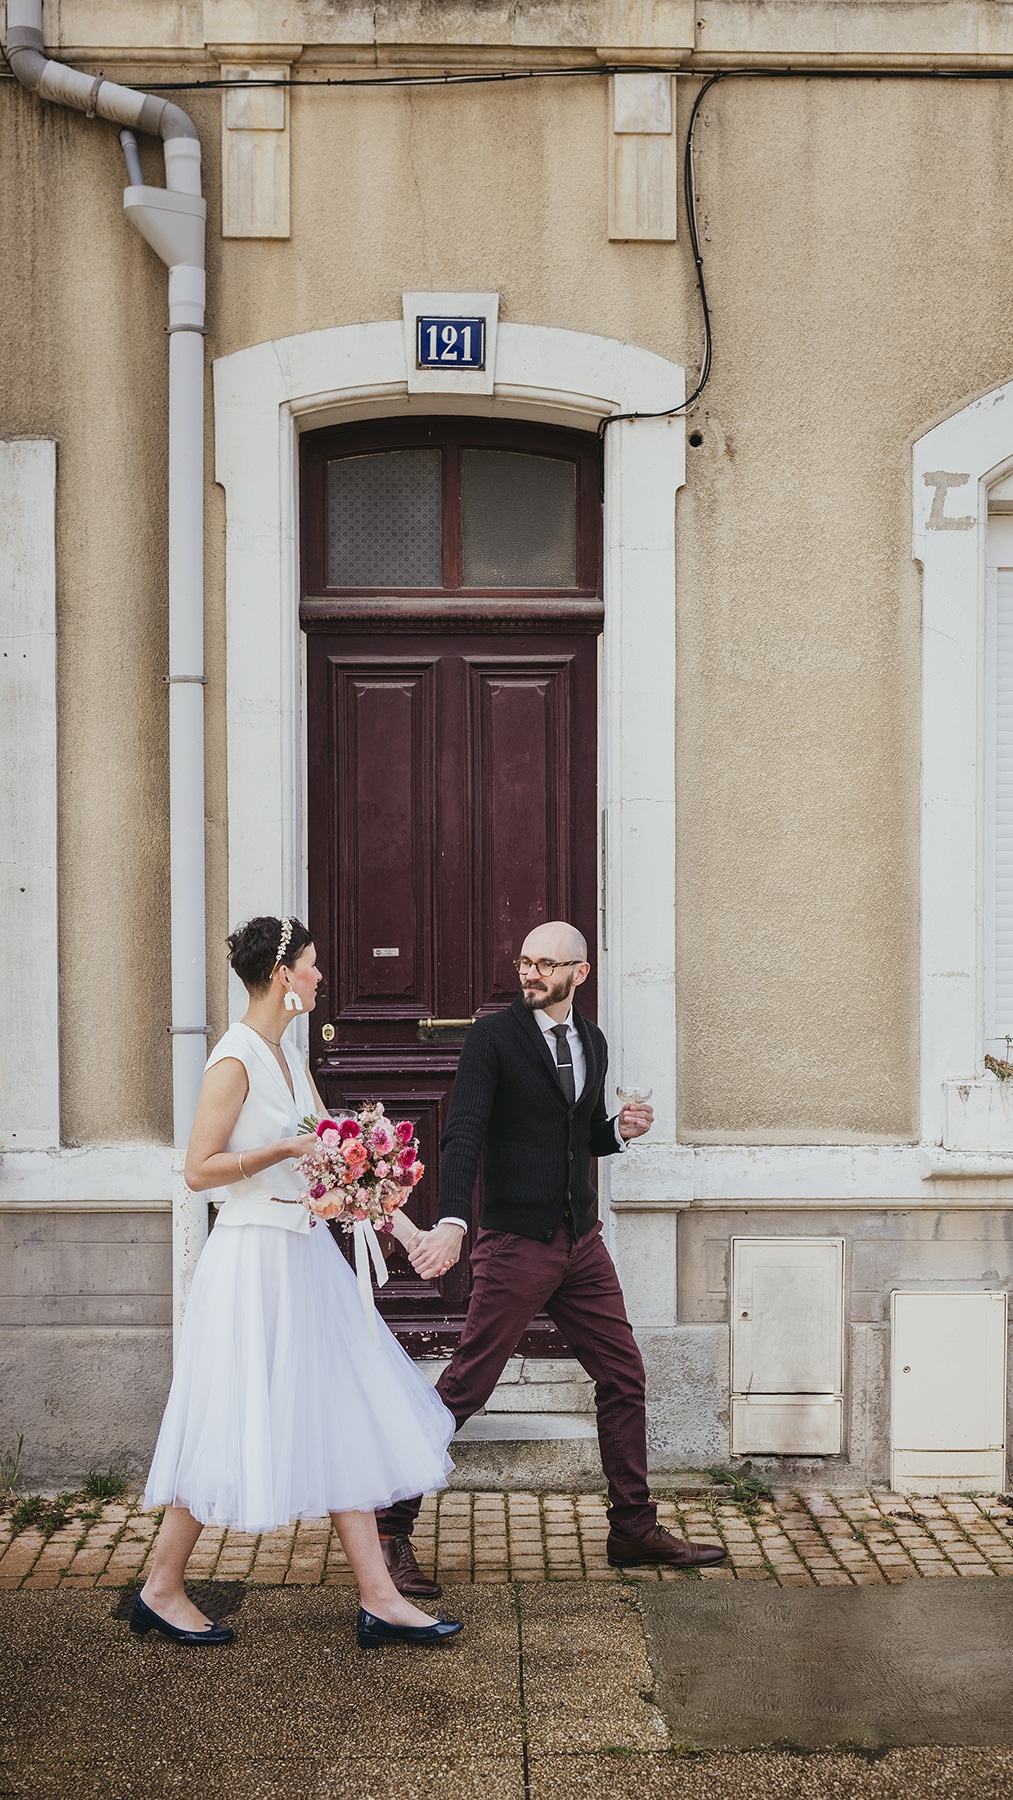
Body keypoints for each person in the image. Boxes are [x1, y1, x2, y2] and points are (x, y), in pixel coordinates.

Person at [135, 915, 462, 1650]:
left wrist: (407, 1234)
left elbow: (338, 1170)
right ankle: (160, 1587)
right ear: (284, 975)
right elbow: (198, 1170)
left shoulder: (288, 1054)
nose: (321, 977)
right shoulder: (235, 1059)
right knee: (228, 1413)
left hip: (305, 1255)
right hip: (252, 1260)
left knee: (340, 1408)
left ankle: (379, 1596)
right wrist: (281, 1146)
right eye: (313, 965)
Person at [375, 919, 727, 1597]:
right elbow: (465, 1135)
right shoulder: (493, 1038)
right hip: (515, 1243)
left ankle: (631, 1528)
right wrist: (452, 1221)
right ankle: (390, 1526)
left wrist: (616, 1134)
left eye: (545, 964)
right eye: (524, 962)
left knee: (622, 1376)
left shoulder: (589, 1040)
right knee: (467, 1387)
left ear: (579, 974)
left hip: (580, 1242)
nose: (530, 974)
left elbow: (576, 1137)